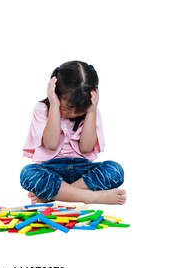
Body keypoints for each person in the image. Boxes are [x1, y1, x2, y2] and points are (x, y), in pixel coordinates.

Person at [20, 60, 126, 205]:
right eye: (69, 107)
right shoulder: (42, 109)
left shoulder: (92, 112)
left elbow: (86, 148)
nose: (74, 113)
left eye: (79, 108)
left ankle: (54, 196)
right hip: (51, 170)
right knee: (28, 174)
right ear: (55, 93)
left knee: (115, 170)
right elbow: (51, 144)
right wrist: (55, 106)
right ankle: (91, 197)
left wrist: (91, 112)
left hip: (83, 172)